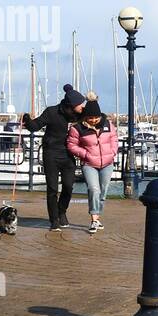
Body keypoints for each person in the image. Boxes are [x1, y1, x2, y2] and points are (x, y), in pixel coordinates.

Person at [23, 84, 86, 231]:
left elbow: (97, 117)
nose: (82, 106)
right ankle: (54, 219)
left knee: (68, 186)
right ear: (71, 105)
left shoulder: (80, 115)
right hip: (51, 153)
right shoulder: (52, 112)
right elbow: (35, 126)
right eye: (80, 104)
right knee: (52, 188)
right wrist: (27, 120)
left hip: (68, 155)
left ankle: (62, 211)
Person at [66, 92, 119, 234]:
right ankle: (94, 219)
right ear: (85, 116)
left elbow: (114, 139)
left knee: (103, 191)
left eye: (96, 117)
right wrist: (85, 155)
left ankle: (98, 216)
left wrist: (113, 152)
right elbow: (71, 145)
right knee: (94, 189)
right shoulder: (77, 128)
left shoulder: (108, 125)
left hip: (107, 163)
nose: (94, 120)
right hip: (89, 164)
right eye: (91, 117)